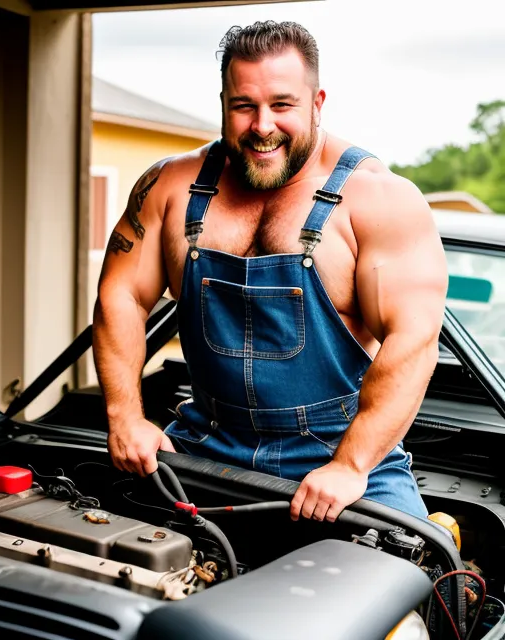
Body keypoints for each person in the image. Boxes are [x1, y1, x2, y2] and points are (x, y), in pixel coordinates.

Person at [92, 21, 447, 523]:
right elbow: (122, 295)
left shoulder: (379, 199)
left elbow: (413, 340)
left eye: (282, 105)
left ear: (317, 102)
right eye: (244, 106)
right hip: (204, 437)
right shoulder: (170, 187)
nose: (262, 126)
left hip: (340, 450)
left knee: (416, 580)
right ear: (223, 103)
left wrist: (350, 465)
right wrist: (125, 416)